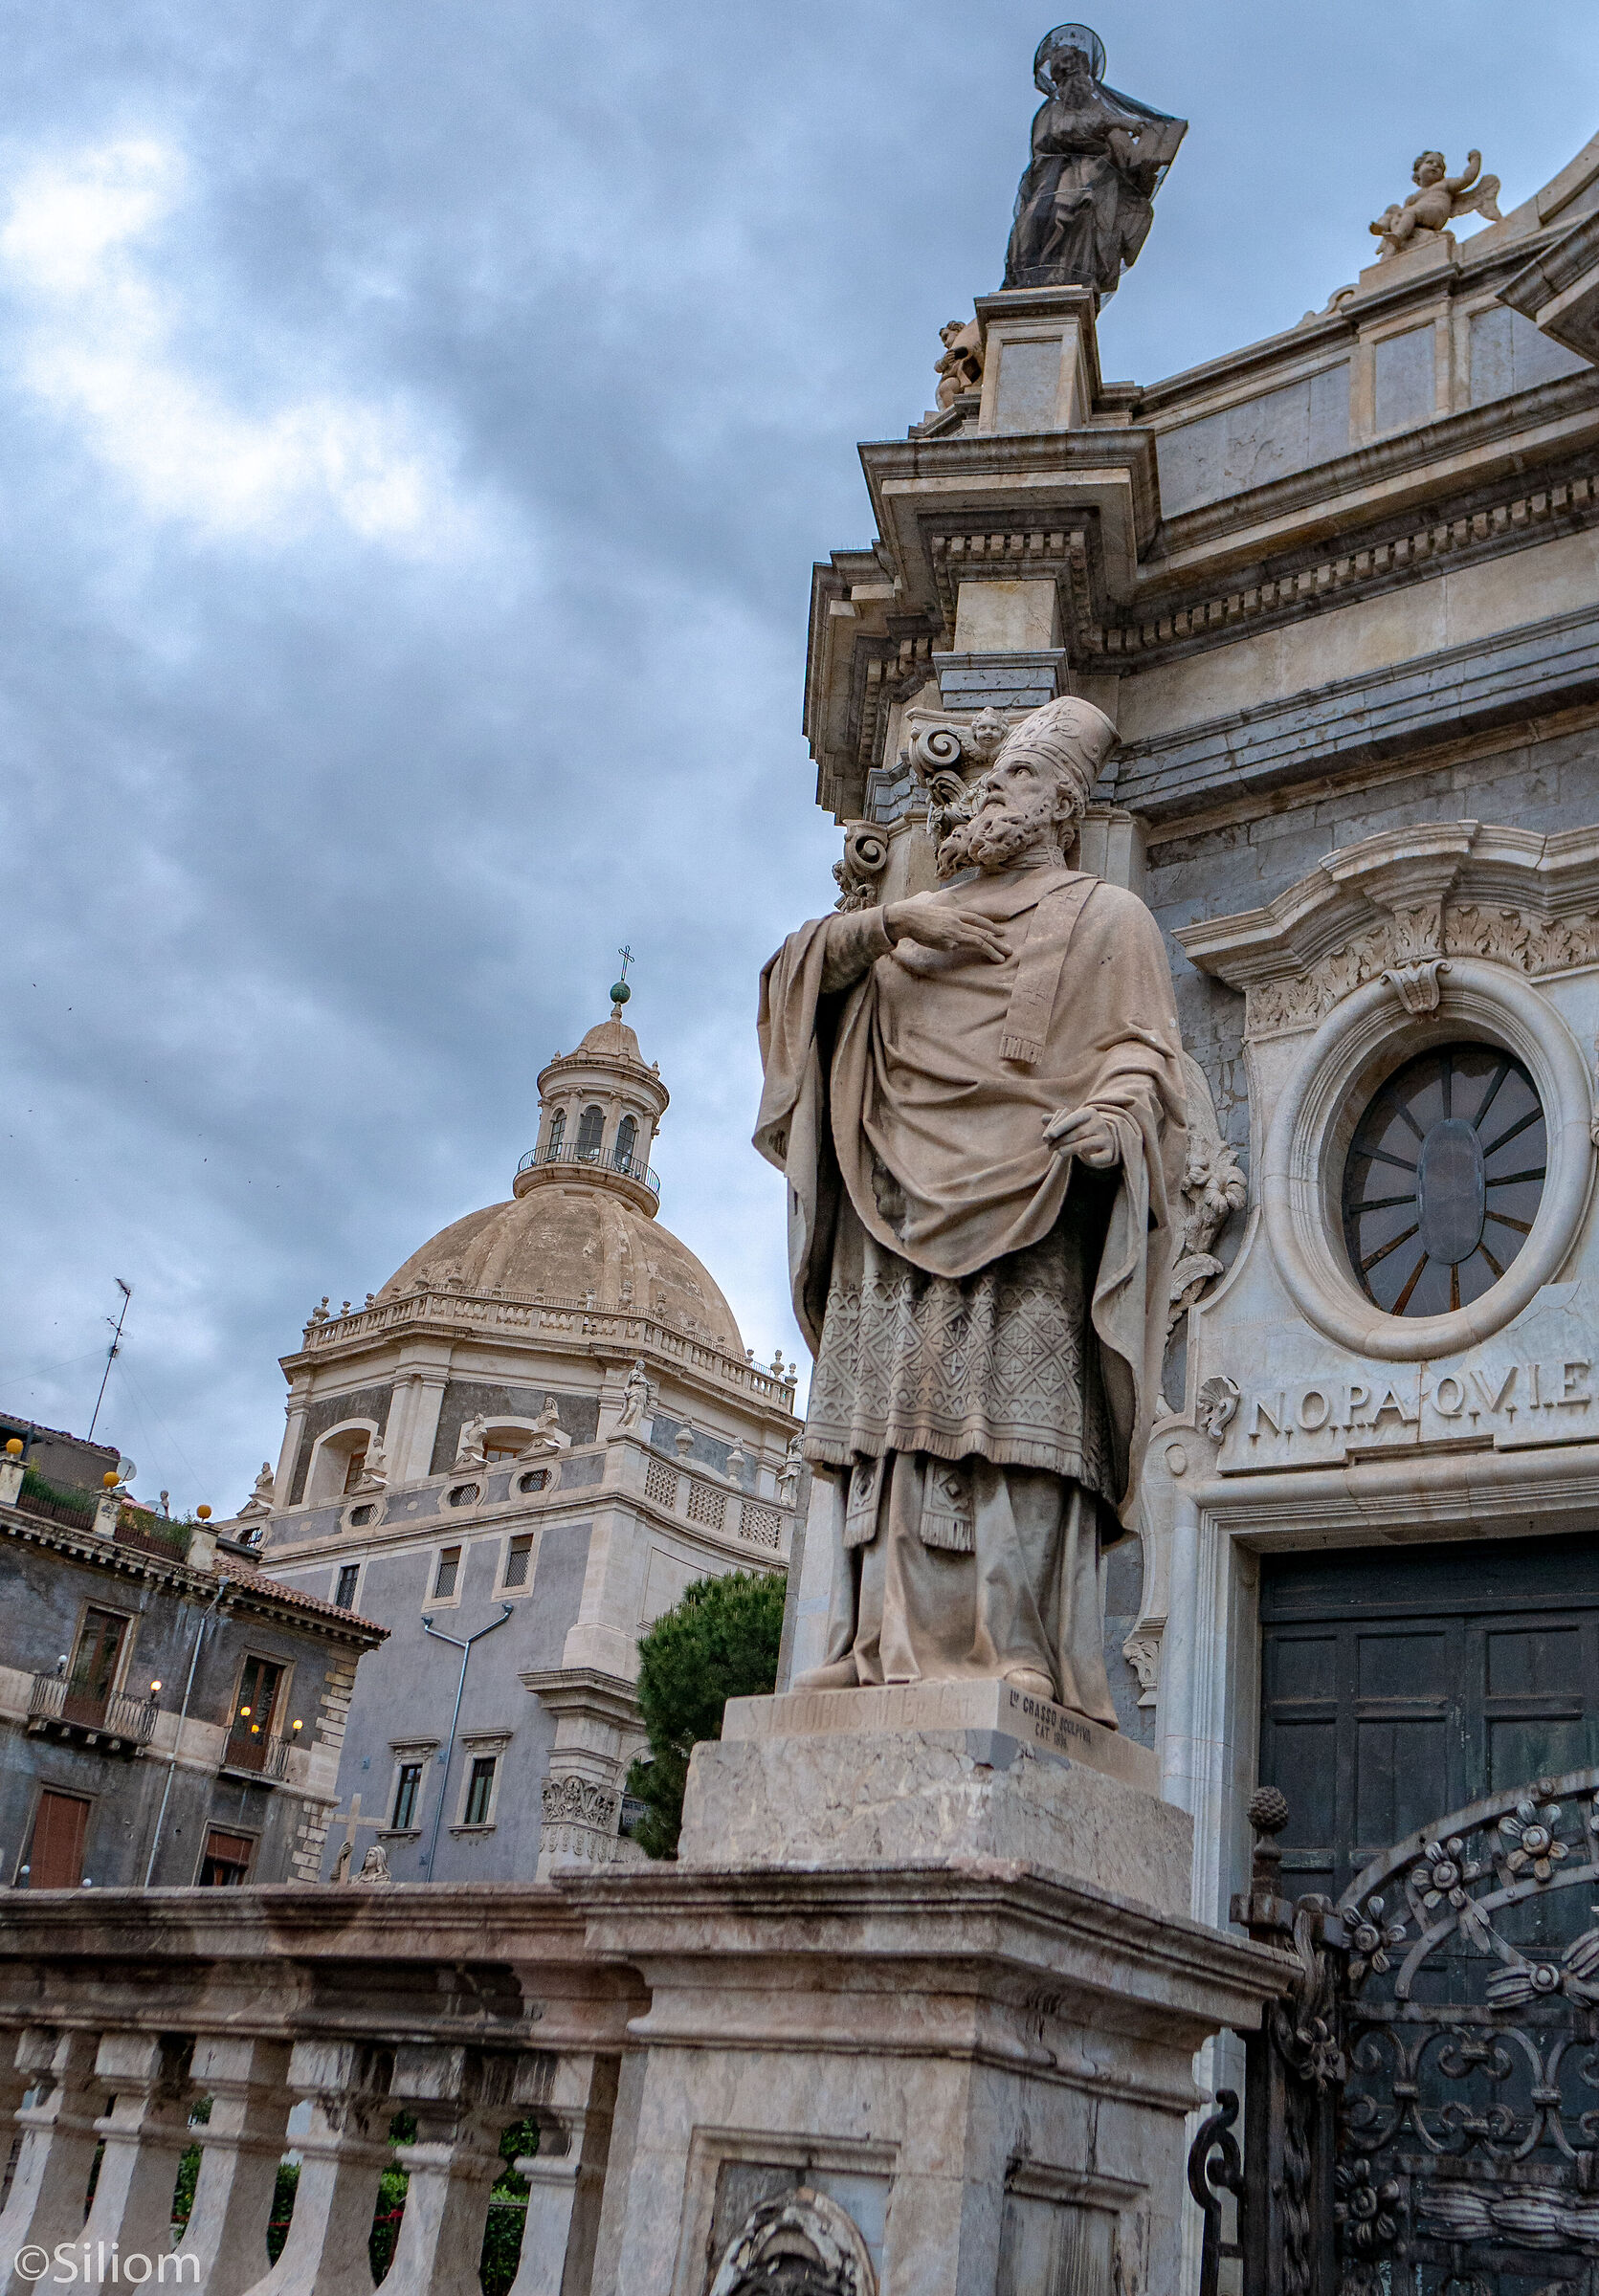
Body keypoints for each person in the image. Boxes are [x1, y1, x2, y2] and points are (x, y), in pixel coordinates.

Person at [755, 695, 1186, 1720]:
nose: (993, 792)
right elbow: (790, 986)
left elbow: (1143, 1054)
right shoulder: (914, 922)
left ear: (1064, 807)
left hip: (1032, 1195)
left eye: (1020, 777)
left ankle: (1016, 1646)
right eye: (988, 778)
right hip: (889, 1204)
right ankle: (875, 1643)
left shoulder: (1106, 918)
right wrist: (895, 920)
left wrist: (1113, 1121)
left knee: (1012, 1432)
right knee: (894, 1434)